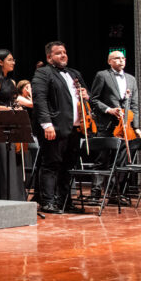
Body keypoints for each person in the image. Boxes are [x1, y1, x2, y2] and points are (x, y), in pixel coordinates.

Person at [30, 41, 88, 214]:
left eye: (64, 52)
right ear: (49, 57)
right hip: (54, 127)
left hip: (75, 129)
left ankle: (65, 201)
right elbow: (39, 100)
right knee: (51, 165)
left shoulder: (74, 73)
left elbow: (85, 95)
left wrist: (86, 95)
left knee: (68, 166)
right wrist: (47, 124)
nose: (63, 55)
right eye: (58, 53)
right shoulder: (43, 73)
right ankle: (47, 201)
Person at [0, 49, 32, 201]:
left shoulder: (12, 82)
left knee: (13, 159)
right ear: (0, 62)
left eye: (13, 59)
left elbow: (13, 101)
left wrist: (17, 107)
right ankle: (0, 195)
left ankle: (14, 195)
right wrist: (5, 108)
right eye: (10, 60)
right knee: (2, 159)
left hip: (12, 123)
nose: (13, 62)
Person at [89, 50, 140, 195]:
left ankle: (114, 193)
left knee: (120, 161)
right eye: (117, 58)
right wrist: (108, 110)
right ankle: (96, 192)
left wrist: (135, 126)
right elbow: (94, 99)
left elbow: (134, 105)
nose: (121, 60)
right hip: (106, 124)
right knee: (102, 159)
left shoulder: (131, 79)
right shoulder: (102, 75)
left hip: (124, 126)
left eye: (123, 58)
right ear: (109, 61)